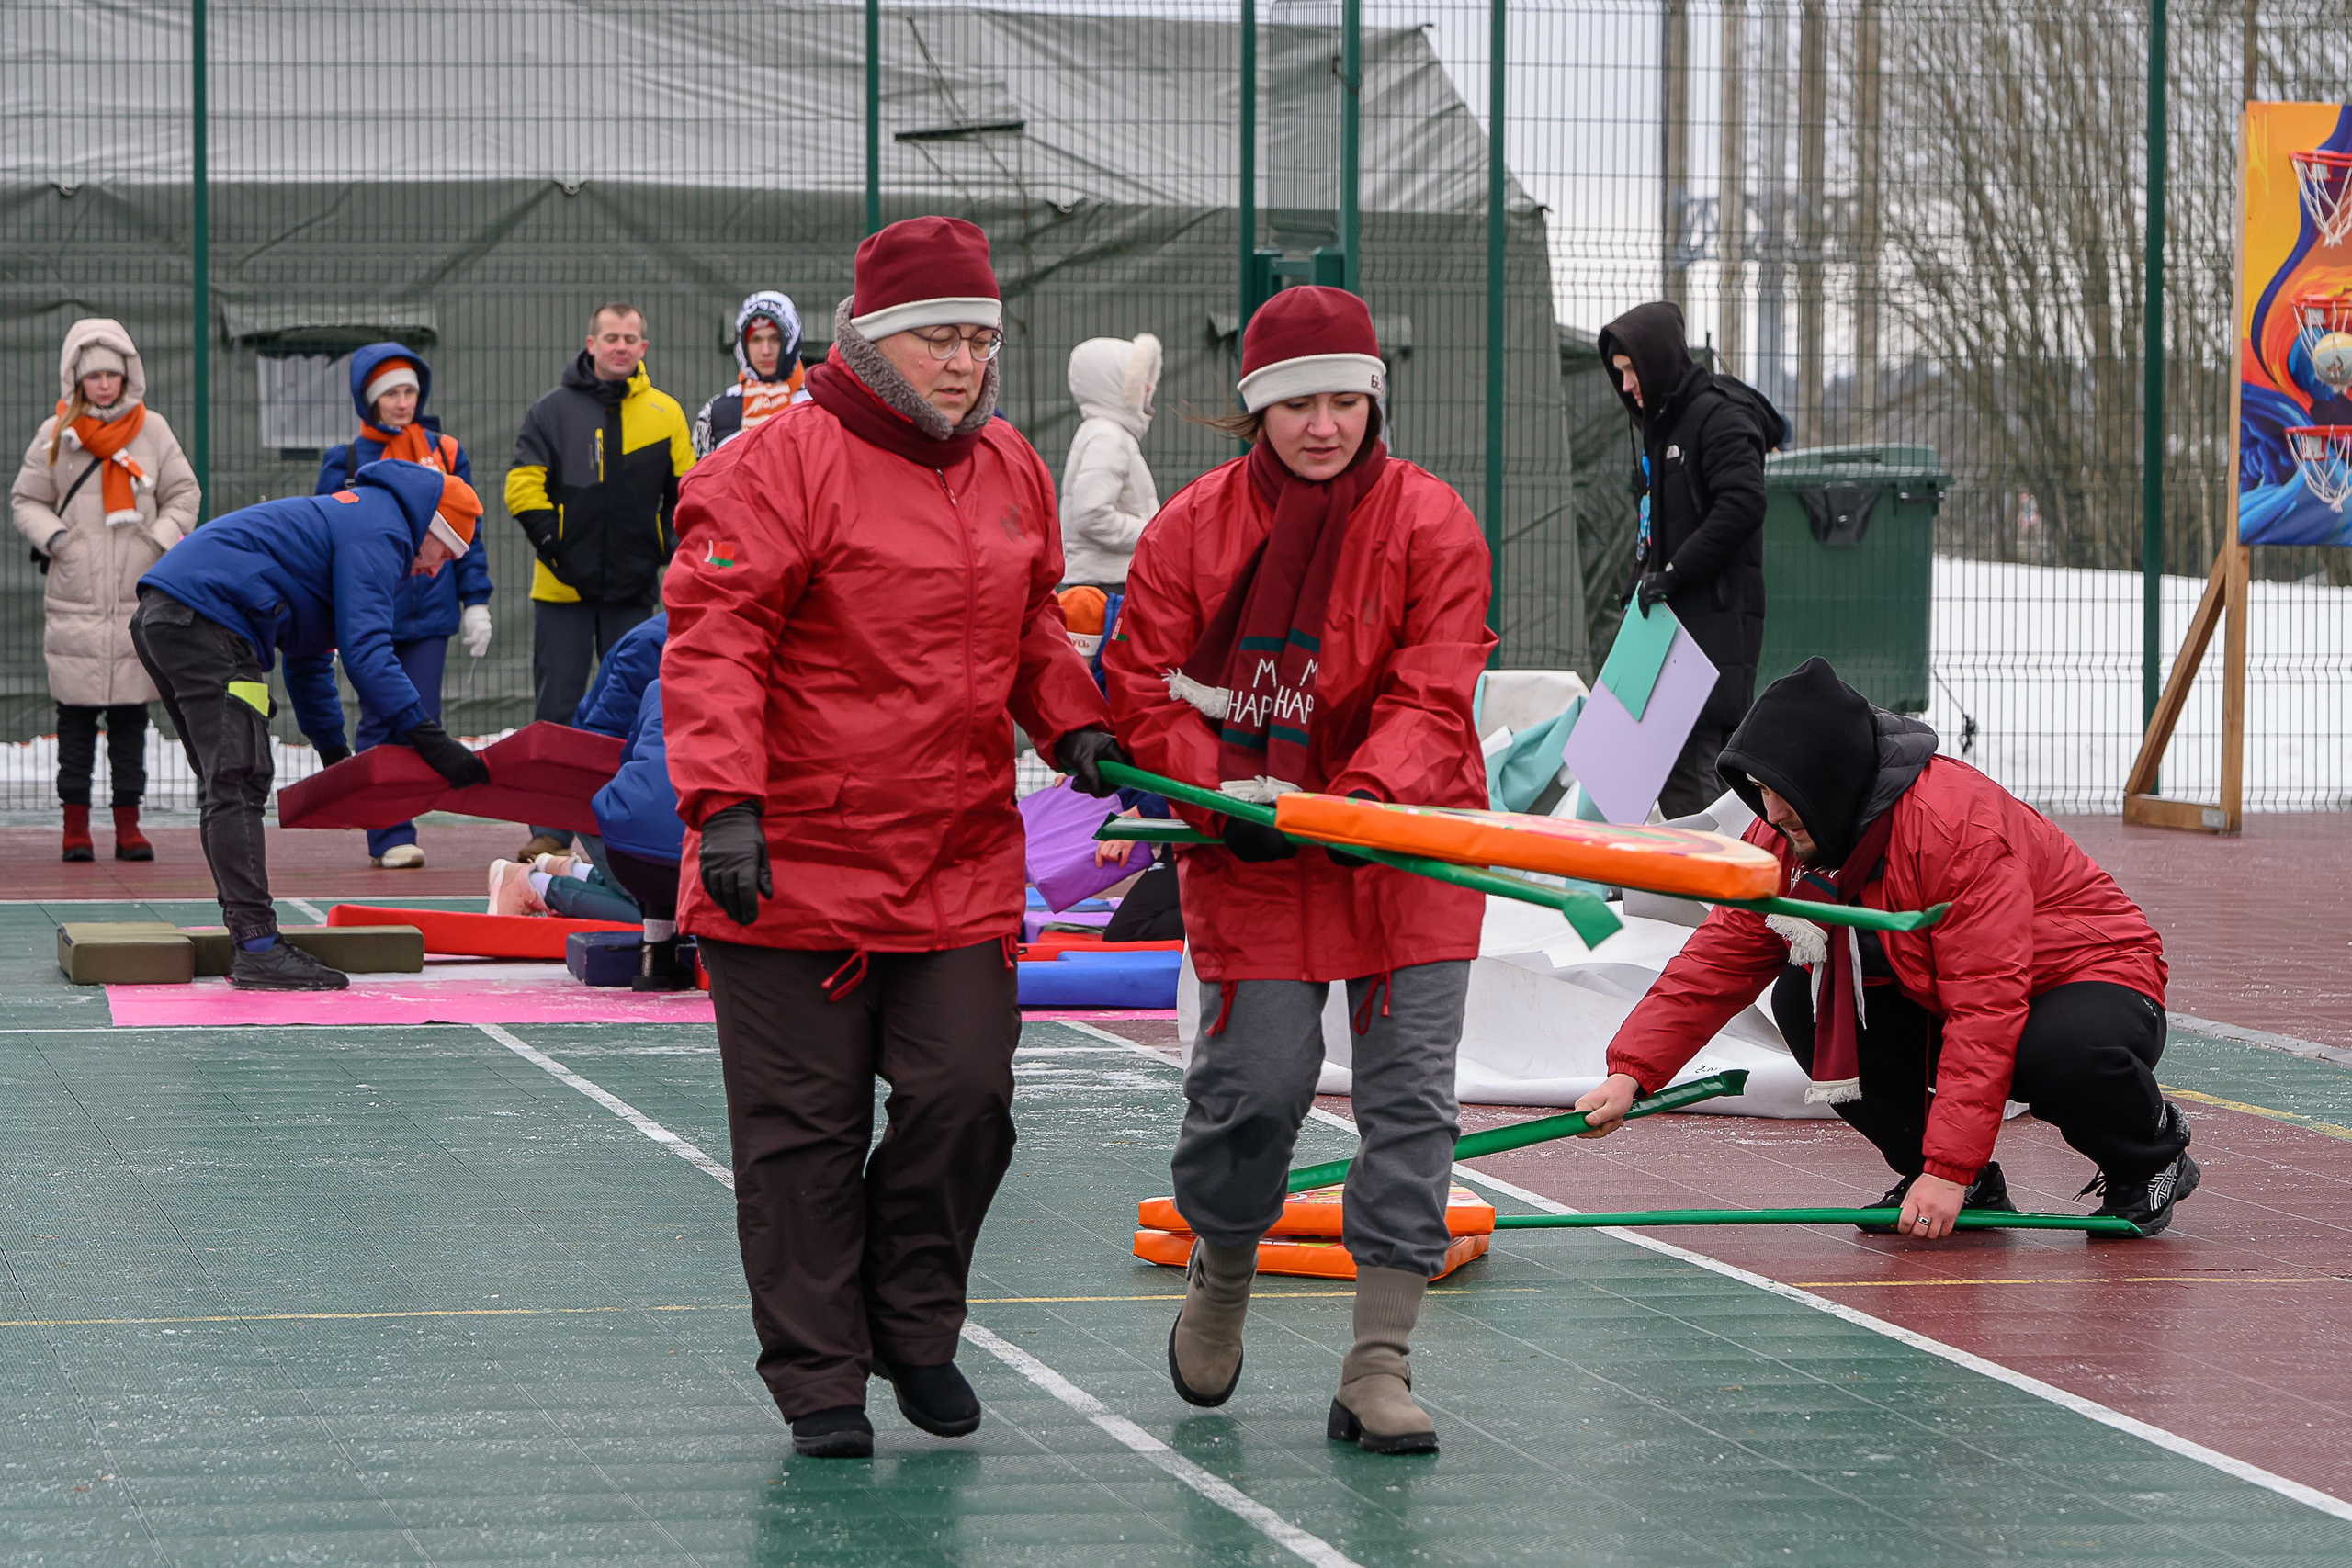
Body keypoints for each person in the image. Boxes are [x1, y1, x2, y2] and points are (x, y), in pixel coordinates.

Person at [663, 215, 1124, 1459]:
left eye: (981, 337)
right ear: (873, 341)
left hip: (955, 854)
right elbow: (713, 643)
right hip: (790, 861)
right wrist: (728, 806)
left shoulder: (1011, 465)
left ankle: (912, 1320)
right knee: (801, 1137)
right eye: (941, 338)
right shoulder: (775, 465)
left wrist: (1075, 726)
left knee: (964, 1093)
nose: (966, 362)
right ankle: (821, 1375)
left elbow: (1034, 622)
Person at [1103, 285, 1495, 1455]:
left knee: (1411, 1108)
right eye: (1295, 405)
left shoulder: (1432, 521)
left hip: (1403, 848)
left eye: (1344, 401)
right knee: (1254, 1092)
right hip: (1252, 855)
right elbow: (1145, 689)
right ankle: (1222, 1275)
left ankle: (1377, 1363)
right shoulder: (1189, 528)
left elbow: (1435, 687)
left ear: (1374, 401)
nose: (1323, 426)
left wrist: (1353, 801)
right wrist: (1223, 800)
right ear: (1252, 410)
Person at [1573, 658, 2199, 1238]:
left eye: (1783, 798)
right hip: (1954, 981)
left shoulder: (1956, 831)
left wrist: (1947, 1167)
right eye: (1761, 791)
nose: (1769, 810)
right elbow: (1720, 956)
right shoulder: (1793, 830)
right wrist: (1632, 1070)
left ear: (1832, 782)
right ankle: (1967, 1182)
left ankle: (2149, 1154)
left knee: (2052, 1051)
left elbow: (1987, 1005)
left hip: (2092, 973)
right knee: (1808, 1000)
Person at [134, 462, 492, 990]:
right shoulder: (384, 529)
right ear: (433, 529)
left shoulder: (358, 520)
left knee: (227, 781)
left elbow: (308, 661)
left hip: (168, 618)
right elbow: (367, 651)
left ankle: (251, 937)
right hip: (208, 621)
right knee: (238, 778)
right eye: (446, 554)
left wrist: (334, 759)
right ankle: (257, 947)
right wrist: (429, 739)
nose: (437, 570)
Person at [505, 302, 695, 862]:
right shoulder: (550, 411)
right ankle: (548, 829)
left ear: (643, 348)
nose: (620, 346)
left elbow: (686, 495)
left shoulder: (666, 414)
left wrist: (660, 551)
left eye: (630, 338)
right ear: (590, 343)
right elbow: (522, 487)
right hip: (561, 593)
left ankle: (624, 826)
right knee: (557, 710)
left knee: (639, 707)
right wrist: (558, 549)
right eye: (610, 337)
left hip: (635, 593)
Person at [11, 318, 199, 863]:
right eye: (92, 375)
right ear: (76, 377)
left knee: (130, 722)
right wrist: (60, 540)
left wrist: (156, 541)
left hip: (137, 597)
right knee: (73, 720)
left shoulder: (154, 430)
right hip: (74, 596)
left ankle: (129, 827)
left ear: (128, 375)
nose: (103, 385)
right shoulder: (57, 436)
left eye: (112, 374)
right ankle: (75, 829)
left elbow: (184, 492)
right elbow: (27, 499)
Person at [1596, 299, 1782, 818]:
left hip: (1712, 637)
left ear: (1656, 359)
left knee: (1706, 774)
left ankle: (1714, 894)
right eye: (1620, 374)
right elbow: (1660, 526)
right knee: (1666, 767)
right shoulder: (1661, 427)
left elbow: (1742, 504)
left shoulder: (1718, 416)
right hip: (1669, 632)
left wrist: (1674, 575)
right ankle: (1685, 889)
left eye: (1632, 370)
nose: (1628, 385)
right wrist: (1647, 578)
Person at [317, 343, 494, 869]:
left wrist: (475, 599)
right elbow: (328, 540)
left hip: (431, 615)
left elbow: (469, 531)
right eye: (391, 393)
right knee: (378, 717)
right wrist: (325, 625)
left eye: (409, 391)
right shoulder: (346, 461)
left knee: (423, 717)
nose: (402, 402)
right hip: (370, 614)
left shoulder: (444, 452)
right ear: (369, 401)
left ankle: (404, 820)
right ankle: (386, 830)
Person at [1058, 333, 1161, 588]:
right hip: (1108, 584)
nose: (1149, 388)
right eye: (1138, 381)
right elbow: (1091, 514)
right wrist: (1152, 532)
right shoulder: (1108, 437)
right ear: (1115, 386)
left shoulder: (1107, 433)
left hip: (1104, 579)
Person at [693, 291, 808, 457]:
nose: (766, 351)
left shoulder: (816, 404)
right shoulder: (716, 412)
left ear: (792, 340)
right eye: (756, 340)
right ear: (742, 345)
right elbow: (698, 478)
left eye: (775, 339)